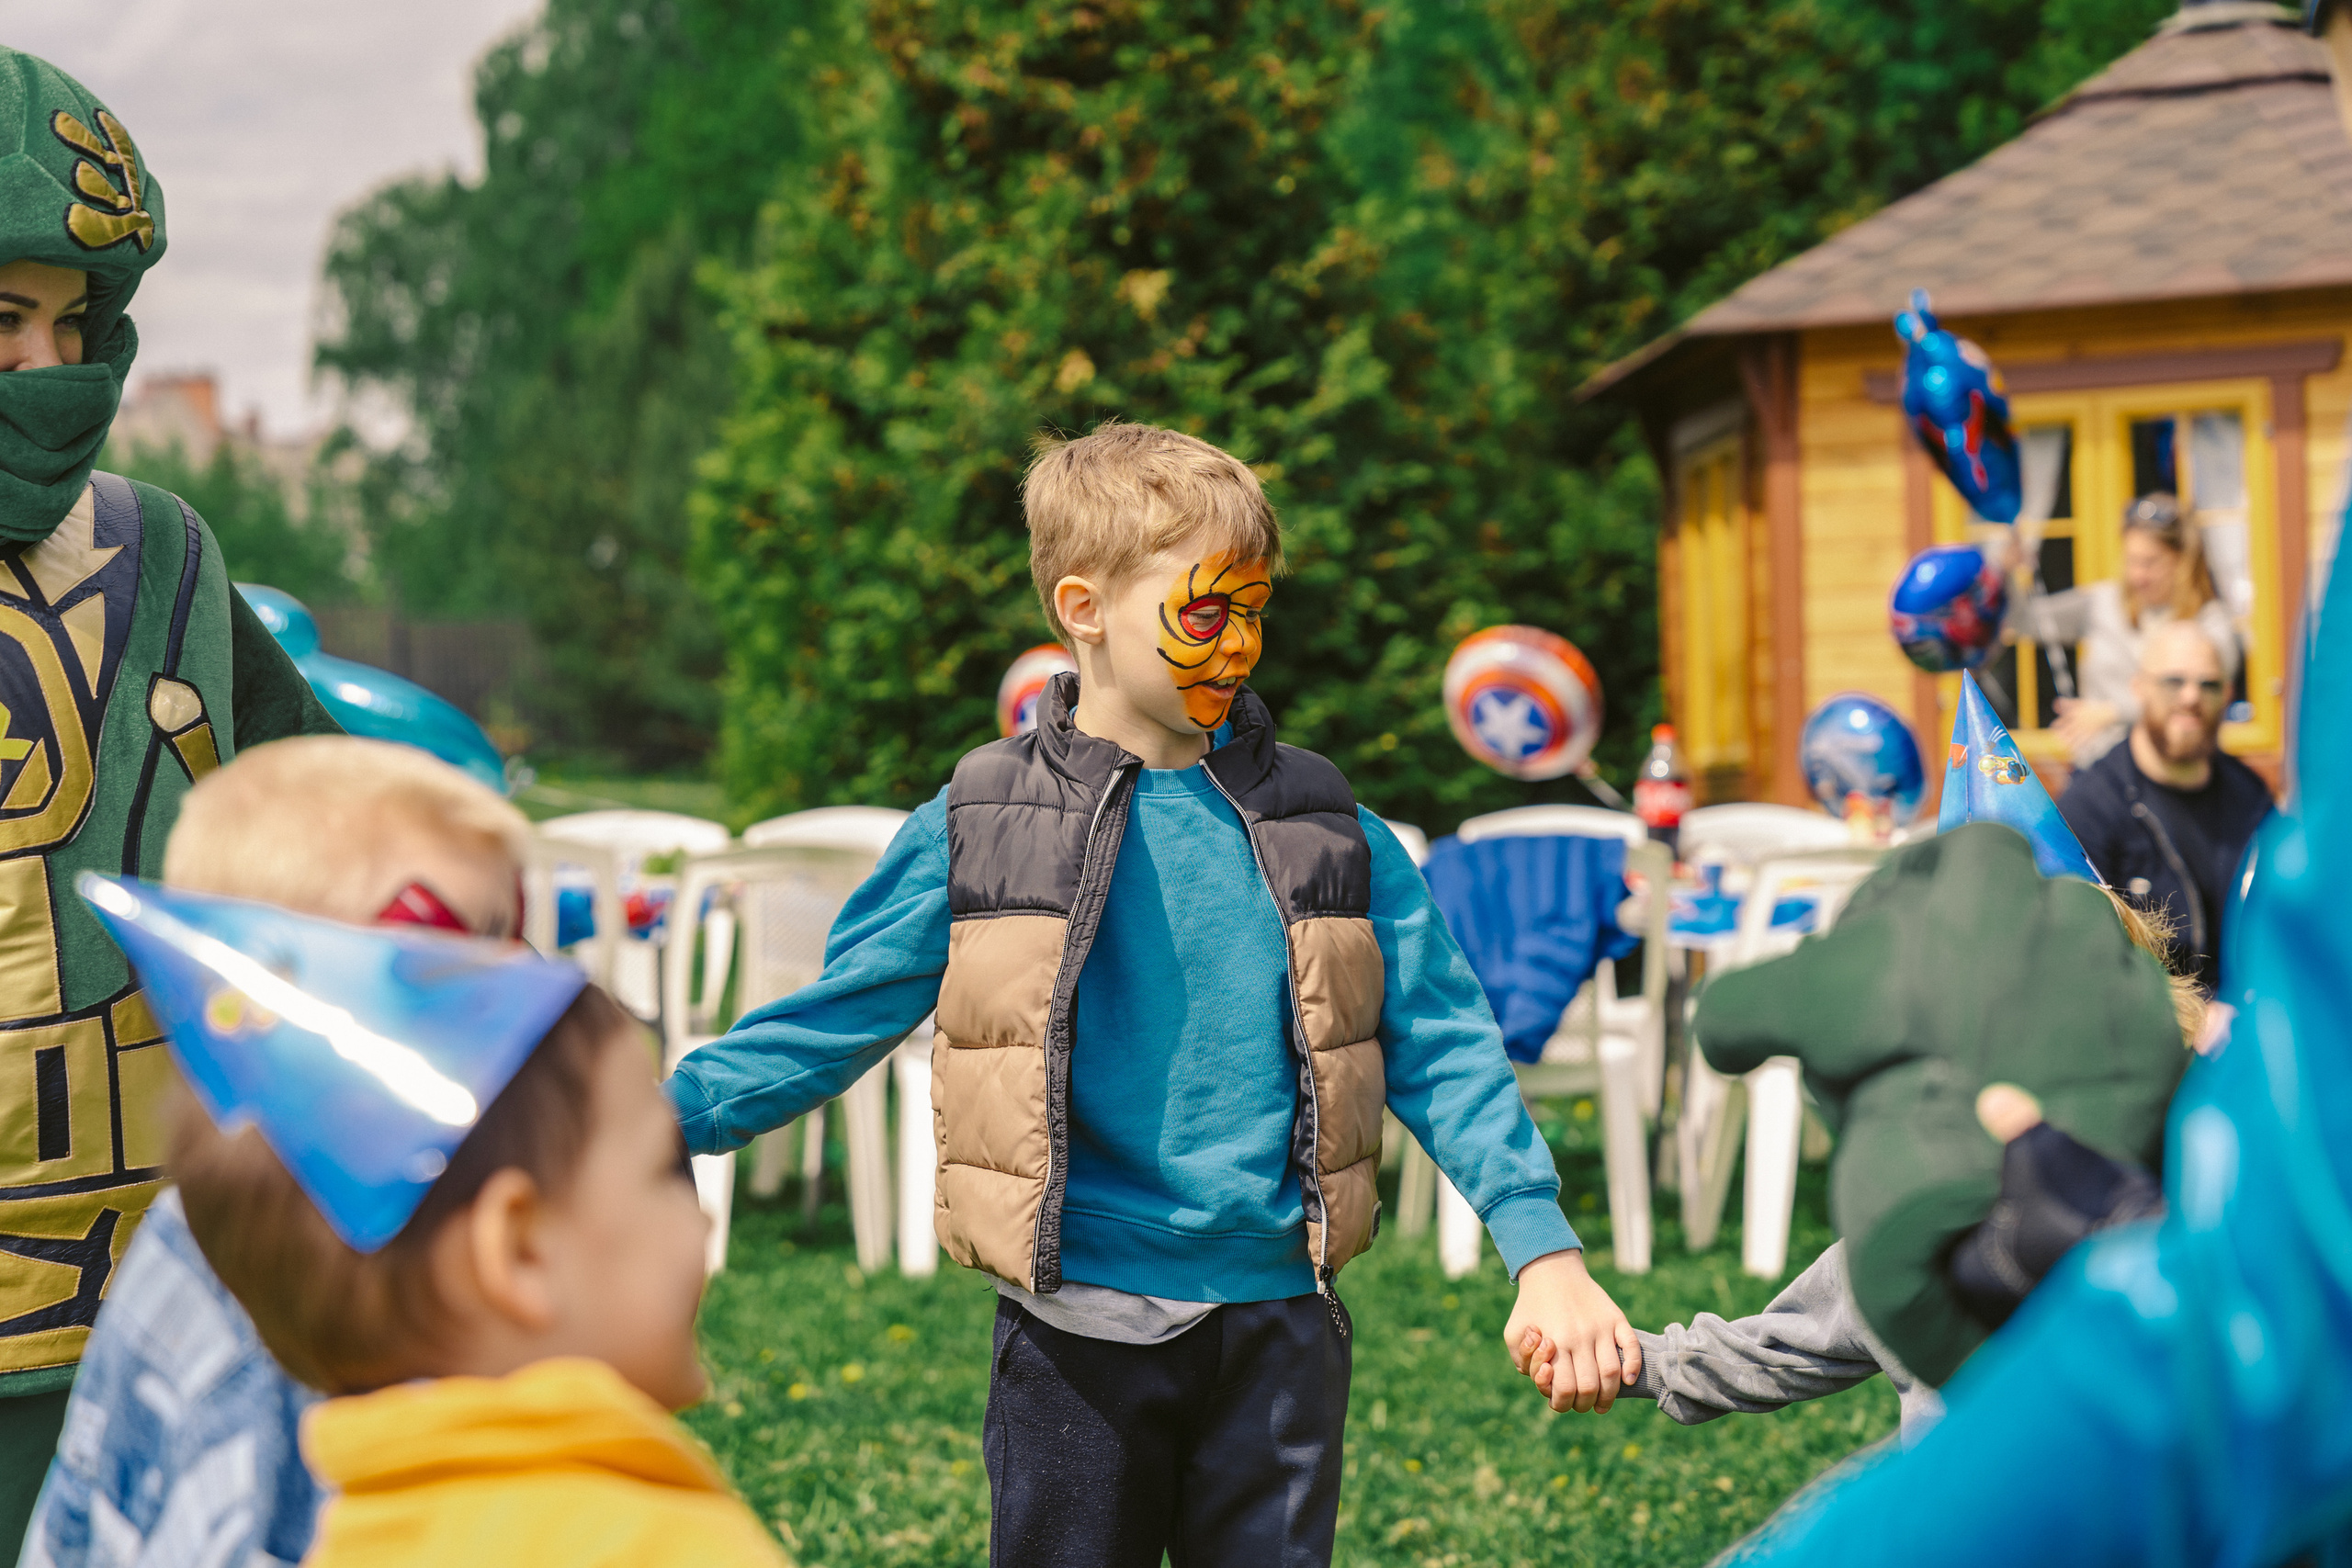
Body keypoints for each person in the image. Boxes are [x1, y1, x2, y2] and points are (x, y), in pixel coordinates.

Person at [663, 420, 1636, 1566]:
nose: (1241, 646)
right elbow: (836, 1015)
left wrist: (1544, 1252)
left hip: (1280, 1323)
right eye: (1207, 612)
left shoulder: (1330, 832)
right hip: (1073, 1331)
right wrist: (643, 1123)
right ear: (1083, 608)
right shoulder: (979, 825)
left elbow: (1444, 1042)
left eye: (1256, 611)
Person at [0, 48, 338, 1548]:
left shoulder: (168, 554)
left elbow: (333, 823)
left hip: (157, 1295)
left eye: (79, 324)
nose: (53, 368)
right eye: (6, 320)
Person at [80, 877, 787, 1568]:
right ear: (520, 1249)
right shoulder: (663, 1547)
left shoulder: (342, 1544)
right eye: (662, 1171)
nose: (703, 1217)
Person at [20, 738, 531, 1568]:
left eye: (516, 945)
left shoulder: (201, 1217)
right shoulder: (331, 1289)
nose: (516, 1001)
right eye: (442, 962)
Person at [2056, 620, 2273, 995]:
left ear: (2227, 694)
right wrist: (2193, 1016)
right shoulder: (2090, 808)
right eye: (2174, 681)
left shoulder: (2251, 799)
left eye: (2208, 684)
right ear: (2138, 688)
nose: (2191, 697)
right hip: (2147, 1023)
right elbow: (2079, 965)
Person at [2014, 492, 2239, 767]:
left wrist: (2112, 712)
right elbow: (2025, 621)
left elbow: (2203, 700)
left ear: (2184, 561)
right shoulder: (2103, 602)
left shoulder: (2211, 625)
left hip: (2175, 772)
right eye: (2132, 560)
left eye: (2150, 562)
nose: (2137, 575)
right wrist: (2006, 570)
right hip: (2099, 770)